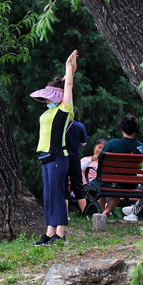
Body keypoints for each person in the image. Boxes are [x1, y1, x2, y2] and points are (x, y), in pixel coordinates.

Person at [31, 50, 78, 246]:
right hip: (45, 158)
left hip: (58, 157)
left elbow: (68, 84)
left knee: (58, 195)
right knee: (48, 196)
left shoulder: (64, 109)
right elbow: (65, 81)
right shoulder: (48, 112)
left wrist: (69, 66)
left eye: (51, 97)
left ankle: (60, 234)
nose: (47, 101)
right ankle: (49, 233)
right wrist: (69, 71)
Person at [100, 115, 143, 217]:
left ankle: (102, 212)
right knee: (119, 186)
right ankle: (105, 212)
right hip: (131, 182)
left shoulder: (112, 143)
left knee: (99, 184)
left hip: (111, 180)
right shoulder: (142, 147)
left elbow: (100, 159)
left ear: (122, 128)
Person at [64, 115, 88, 213]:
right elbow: (84, 143)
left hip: (62, 158)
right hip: (74, 158)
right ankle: (85, 214)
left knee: (63, 187)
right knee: (78, 186)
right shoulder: (80, 126)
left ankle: (65, 215)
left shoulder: (60, 125)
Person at [81, 138, 107, 212]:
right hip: (87, 187)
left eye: (103, 149)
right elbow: (77, 170)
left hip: (101, 187)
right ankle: (104, 211)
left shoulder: (106, 163)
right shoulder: (85, 160)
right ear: (94, 148)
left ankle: (103, 211)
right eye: (99, 147)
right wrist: (91, 160)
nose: (100, 150)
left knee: (101, 189)